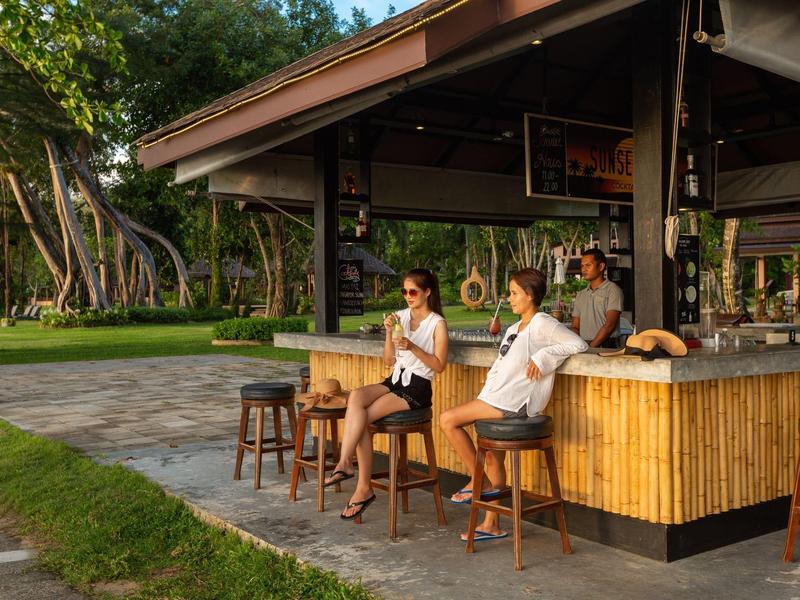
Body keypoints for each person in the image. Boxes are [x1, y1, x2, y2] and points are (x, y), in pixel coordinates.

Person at [439, 268, 587, 541]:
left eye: (515, 292)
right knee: (493, 454)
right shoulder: (513, 327)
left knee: (448, 419)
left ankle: (479, 481)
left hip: (515, 402)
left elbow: (577, 343)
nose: (510, 298)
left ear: (530, 295)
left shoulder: (542, 323)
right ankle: (491, 523)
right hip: (497, 396)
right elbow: (503, 362)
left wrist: (544, 357)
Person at [324, 268, 449, 520]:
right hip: (394, 380)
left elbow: (439, 366)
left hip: (417, 388)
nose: (407, 296)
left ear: (427, 292)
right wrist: (389, 333)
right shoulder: (399, 316)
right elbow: (388, 361)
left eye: (413, 291)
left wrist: (412, 346)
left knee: (362, 417)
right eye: (404, 291)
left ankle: (361, 485)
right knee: (356, 397)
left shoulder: (437, 323)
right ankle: (347, 464)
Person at [571, 248, 623, 349]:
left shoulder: (613, 290)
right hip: (584, 345)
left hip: (607, 346)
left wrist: (591, 347)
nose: (583, 269)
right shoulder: (581, 295)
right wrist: (579, 345)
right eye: (582, 266)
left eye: (588, 265)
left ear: (601, 266)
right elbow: (575, 327)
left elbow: (609, 325)